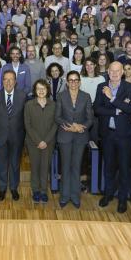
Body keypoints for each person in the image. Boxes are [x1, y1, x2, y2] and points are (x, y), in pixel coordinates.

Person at [94, 61, 131, 214]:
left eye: (118, 71)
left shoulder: (130, 87)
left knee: (124, 168)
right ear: (108, 72)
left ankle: (123, 199)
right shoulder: (101, 87)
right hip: (107, 134)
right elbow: (97, 109)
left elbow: (129, 108)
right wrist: (116, 111)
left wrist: (111, 98)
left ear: (122, 72)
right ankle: (108, 194)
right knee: (108, 167)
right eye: (112, 71)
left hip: (124, 135)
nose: (114, 73)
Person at [55, 71, 93, 208]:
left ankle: (75, 196)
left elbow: (90, 118)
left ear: (80, 82)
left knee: (76, 167)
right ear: (67, 82)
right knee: (65, 167)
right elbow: (57, 117)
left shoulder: (86, 96)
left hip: (80, 136)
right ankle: (64, 196)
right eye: (70, 80)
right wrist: (70, 126)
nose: (73, 83)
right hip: (65, 135)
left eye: (76, 80)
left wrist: (80, 127)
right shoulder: (60, 96)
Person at [0, 70, 26, 201]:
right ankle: (2, 188)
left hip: (17, 136)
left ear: (15, 82)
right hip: (1, 135)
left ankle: (14, 188)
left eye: (11, 79)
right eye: (6, 79)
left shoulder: (23, 96)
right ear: (2, 81)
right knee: (1, 163)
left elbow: (25, 117)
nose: (8, 82)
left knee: (15, 164)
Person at [24, 79, 57, 203]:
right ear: (35, 91)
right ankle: (36, 190)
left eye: (43, 88)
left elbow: (55, 124)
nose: (41, 91)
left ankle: (43, 191)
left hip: (49, 142)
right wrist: (38, 141)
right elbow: (27, 125)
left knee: (45, 167)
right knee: (35, 166)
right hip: (33, 142)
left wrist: (46, 140)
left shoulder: (53, 105)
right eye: (38, 88)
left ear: (47, 90)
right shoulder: (29, 105)